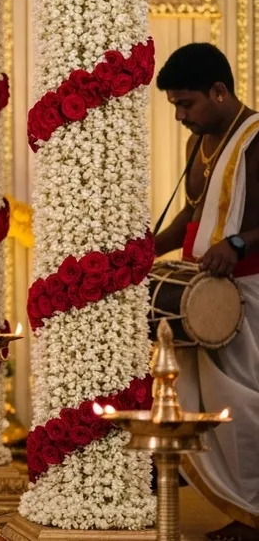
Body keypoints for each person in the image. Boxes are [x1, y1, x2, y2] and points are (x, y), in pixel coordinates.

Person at [155, 42, 259, 541]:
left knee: (242, 404)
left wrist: (237, 244)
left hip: (248, 291)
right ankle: (241, 508)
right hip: (202, 293)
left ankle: (252, 514)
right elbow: (191, 216)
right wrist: (145, 249)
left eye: (186, 103)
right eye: (175, 105)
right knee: (204, 401)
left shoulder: (256, 139)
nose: (180, 116)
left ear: (219, 91)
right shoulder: (200, 142)